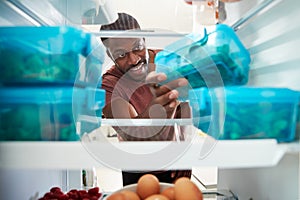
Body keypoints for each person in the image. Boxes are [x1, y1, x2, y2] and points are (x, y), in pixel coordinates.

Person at [100, 13, 192, 186]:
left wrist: (183, 151)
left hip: (177, 165)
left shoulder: (167, 62)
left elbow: (184, 107)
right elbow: (130, 133)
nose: (133, 59)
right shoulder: (109, 84)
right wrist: (154, 112)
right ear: (109, 54)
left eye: (137, 47)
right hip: (138, 169)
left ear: (144, 39)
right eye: (121, 54)